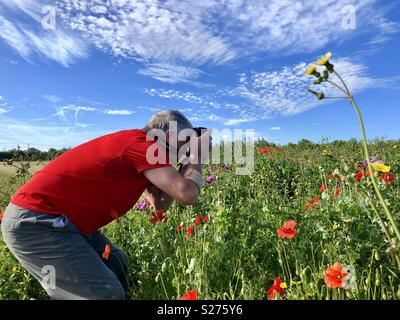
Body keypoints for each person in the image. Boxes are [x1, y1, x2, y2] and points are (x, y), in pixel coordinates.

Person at [1, 110, 211, 300]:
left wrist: (185, 165)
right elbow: (188, 195)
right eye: (180, 147)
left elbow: (160, 204)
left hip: (63, 222)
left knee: (117, 265)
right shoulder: (140, 146)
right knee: (105, 294)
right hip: (36, 222)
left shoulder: (139, 146)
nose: (176, 156)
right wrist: (196, 155)